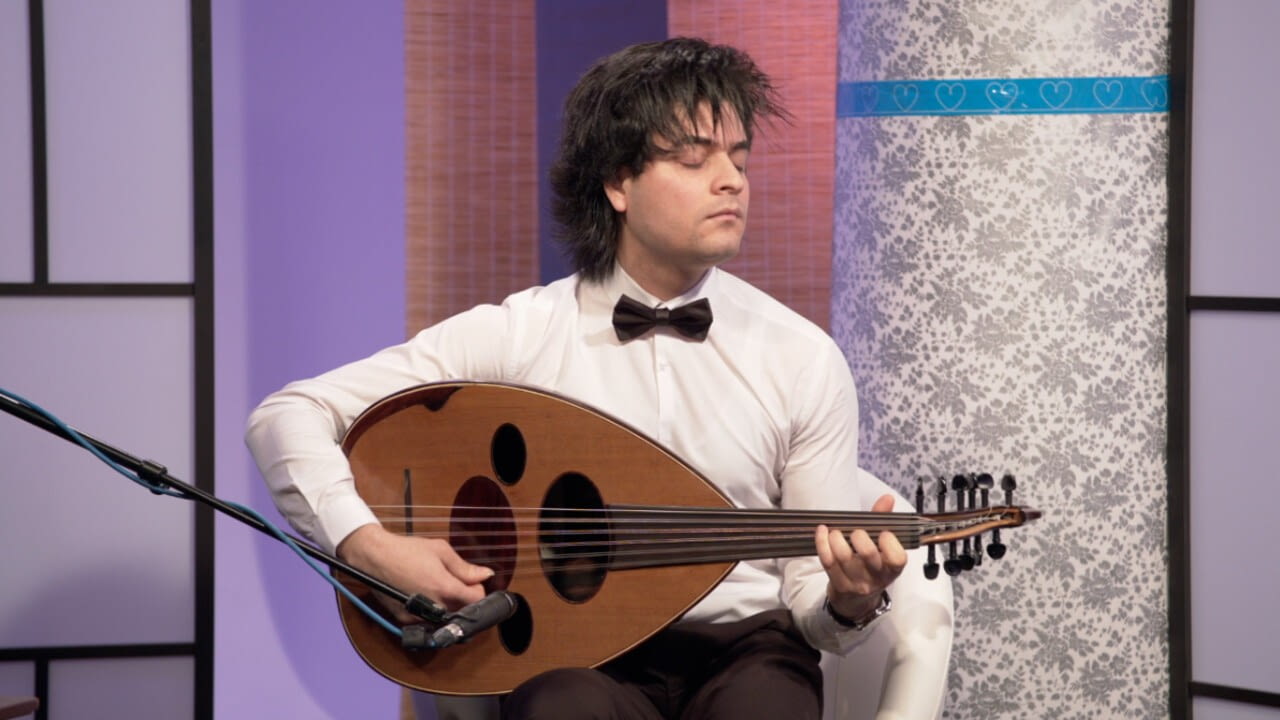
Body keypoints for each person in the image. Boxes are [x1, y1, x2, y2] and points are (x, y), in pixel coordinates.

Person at [246, 37, 906, 719]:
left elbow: (812, 602)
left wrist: (849, 599)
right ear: (618, 184)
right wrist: (368, 545)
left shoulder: (801, 356)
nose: (731, 181)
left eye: (739, 160)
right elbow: (286, 415)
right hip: (572, 655)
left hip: (747, 653)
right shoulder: (520, 335)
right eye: (694, 159)